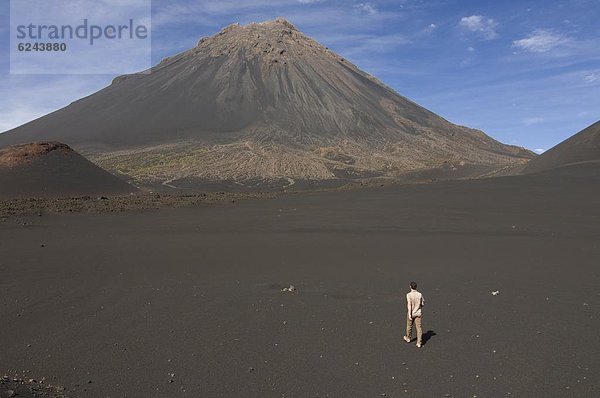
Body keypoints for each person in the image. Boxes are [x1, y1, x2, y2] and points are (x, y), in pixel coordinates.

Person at [403, 281, 424, 348]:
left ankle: (408, 338)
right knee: (419, 328)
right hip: (418, 313)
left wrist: (409, 314)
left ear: (410, 287)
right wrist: (419, 306)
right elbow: (423, 303)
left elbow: (409, 304)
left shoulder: (408, 295)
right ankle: (419, 343)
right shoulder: (420, 294)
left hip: (411, 313)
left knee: (409, 326)